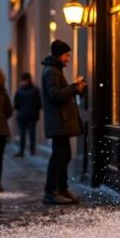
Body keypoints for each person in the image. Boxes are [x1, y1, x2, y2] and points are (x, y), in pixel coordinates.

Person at [41, 40, 86, 205]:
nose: (68, 58)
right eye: (66, 55)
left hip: (61, 122)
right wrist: (74, 88)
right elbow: (55, 95)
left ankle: (62, 188)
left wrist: (75, 88)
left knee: (64, 155)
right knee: (59, 156)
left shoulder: (54, 70)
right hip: (58, 121)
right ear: (59, 55)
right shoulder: (52, 72)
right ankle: (51, 192)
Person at [13, 72, 41, 157]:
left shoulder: (21, 90)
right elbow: (16, 104)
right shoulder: (33, 90)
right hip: (26, 116)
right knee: (26, 134)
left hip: (27, 116)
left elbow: (38, 104)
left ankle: (28, 151)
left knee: (28, 134)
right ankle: (27, 151)